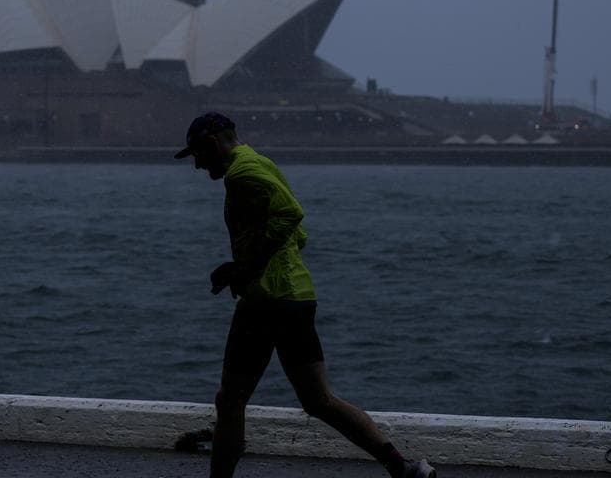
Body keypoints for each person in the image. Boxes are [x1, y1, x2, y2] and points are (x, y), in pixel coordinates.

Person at [175, 112, 436, 478]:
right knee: (318, 400)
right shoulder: (260, 162)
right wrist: (248, 265)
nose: (198, 165)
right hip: (296, 298)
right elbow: (298, 235)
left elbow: (290, 214)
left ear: (213, 144)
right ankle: (405, 469)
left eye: (198, 155)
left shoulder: (241, 174)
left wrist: (247, 268)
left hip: (265, 303)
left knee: (230, 401)